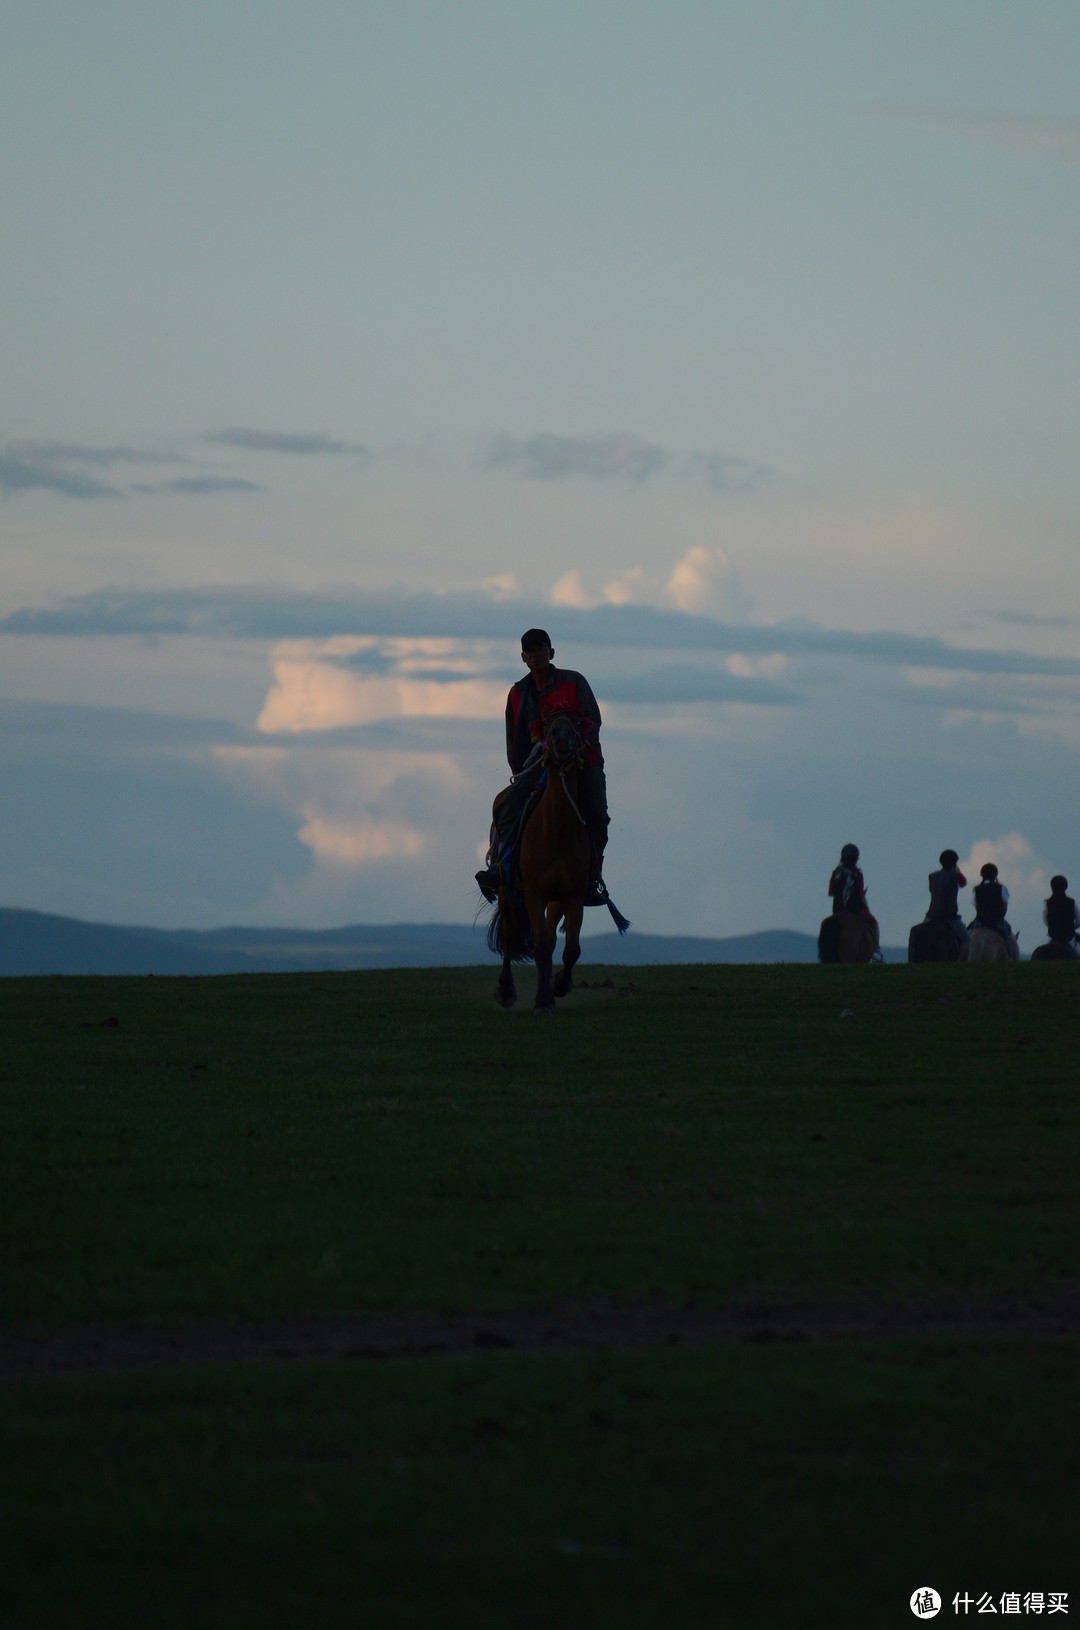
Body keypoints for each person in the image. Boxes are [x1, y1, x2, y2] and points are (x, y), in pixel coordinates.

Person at [476, 629, 610, 903]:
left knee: (597, 813)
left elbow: (592, 719)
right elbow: (514, 738)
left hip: (583, 761)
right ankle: (501, 869)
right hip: (539, 765)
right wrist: (521, 773)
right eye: (531, 652)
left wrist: (575, 746)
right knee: (506, 806)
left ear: (551, 653)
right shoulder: (518, 693)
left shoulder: (574, 681)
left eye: (541, 650)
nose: (536, 656)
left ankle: (591, 876)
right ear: (524, 657)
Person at [827, 843, 879, 945]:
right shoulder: (857, 874)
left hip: (837, 910)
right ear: (855, 859)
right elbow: (860, 895)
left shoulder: (836, 873)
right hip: (855, 910)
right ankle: (876, 949)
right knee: (873, 922)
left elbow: (831, 892)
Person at [925, 848, 970, 951]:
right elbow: (964, 883)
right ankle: (958, 962)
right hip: (950, 917)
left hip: (931, 916)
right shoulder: (956, 876)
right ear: (955, 863)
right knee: (967, 940)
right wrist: (958, 871)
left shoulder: (932, 876)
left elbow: (931, 890)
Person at [970, 862, 1019, 954]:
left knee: (967, 937)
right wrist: (1000, 916)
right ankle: (1015, 960)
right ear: (996, 874)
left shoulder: (976, 889)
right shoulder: (1001, 888)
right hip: (997, 921)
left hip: (980, 921)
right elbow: (1004, 908)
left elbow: (976, 907)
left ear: (982, 875)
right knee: (1013, 943)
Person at [1043, 875, 1080, 949]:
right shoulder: (1071, 902)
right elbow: (1079, 920)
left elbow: (1046, 921)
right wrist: (1073, 927)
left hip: (1053, 937)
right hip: (1069, 938)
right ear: (1065, 887)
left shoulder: (1048, 903)